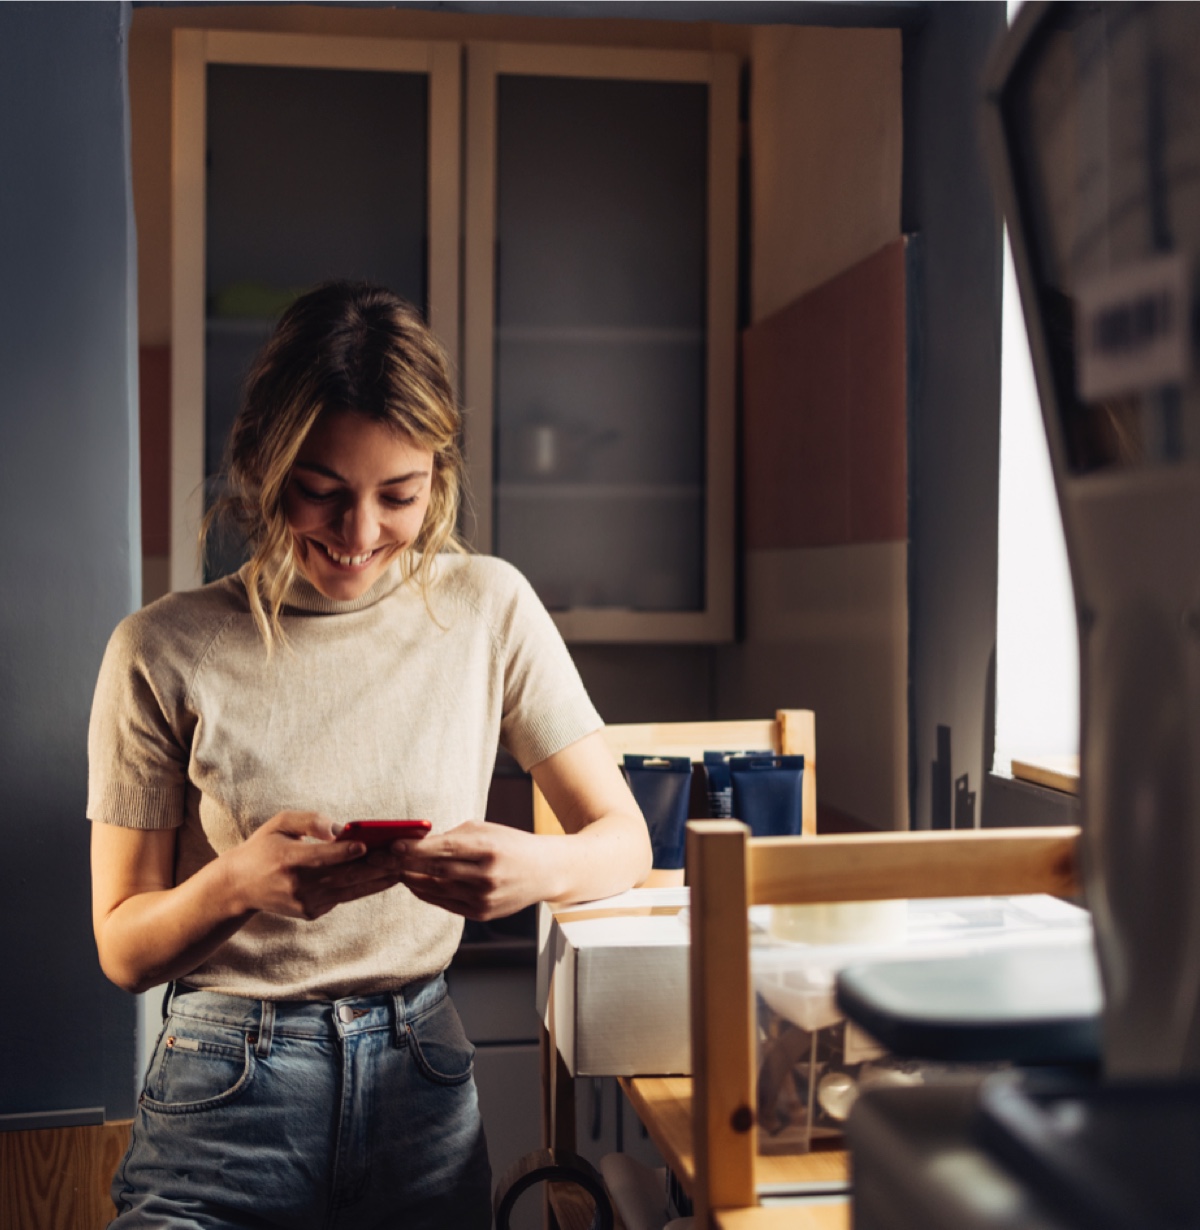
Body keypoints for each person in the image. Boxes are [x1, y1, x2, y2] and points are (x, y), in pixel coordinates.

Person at [87, 280, 653, 1229]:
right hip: (224, 1085)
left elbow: (624, 837)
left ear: (439, 471)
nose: (359, 537)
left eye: (399, 495)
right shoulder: (160, 648)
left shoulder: (491, 607)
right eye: (321, 493)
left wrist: (532, 868)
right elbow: (122, 945)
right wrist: (239, 886)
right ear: (266, 467)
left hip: (420, 1079)